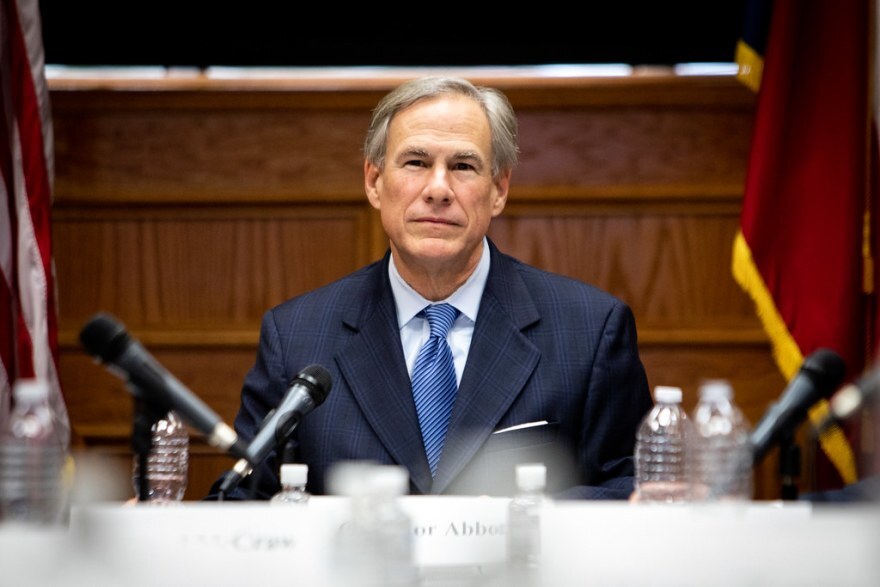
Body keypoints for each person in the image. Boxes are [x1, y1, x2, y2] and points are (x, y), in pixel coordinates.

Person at [208, 76, 653, 501]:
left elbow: (633, 489)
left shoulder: (591, 330)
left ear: (498, 189)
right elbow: (243, 499)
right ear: (374, 181)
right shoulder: (297, 337)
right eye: (416, 162)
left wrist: (521, 515)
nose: (438, 189)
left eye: (463, 166)